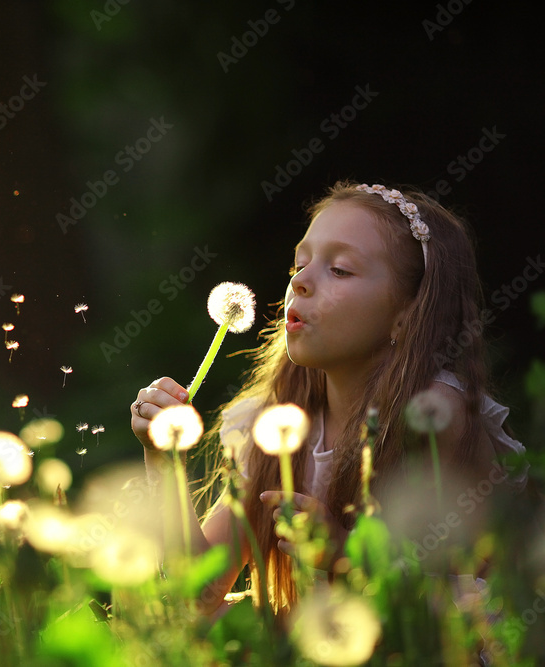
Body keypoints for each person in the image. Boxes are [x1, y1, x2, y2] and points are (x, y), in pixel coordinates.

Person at [131, 180, 532, 617]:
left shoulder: (433, 415)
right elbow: (201, 592)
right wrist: (164, 459)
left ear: (406, 315)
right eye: (297, 266)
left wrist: (345, 556)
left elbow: (483, 603)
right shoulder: (275, 422)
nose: (300, 282)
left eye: (339, 269)